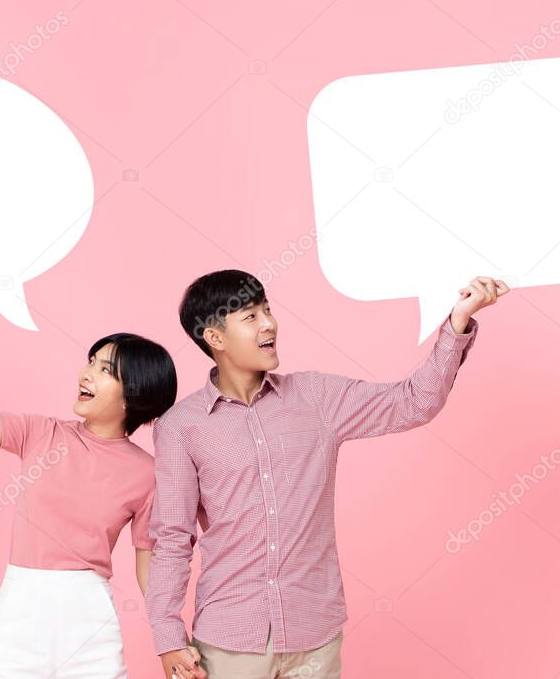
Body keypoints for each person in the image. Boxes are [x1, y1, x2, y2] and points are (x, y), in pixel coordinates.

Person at [147, 269, 508, 679]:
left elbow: (414, 402)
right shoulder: (180, 426)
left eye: (267, 309)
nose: (269, 323)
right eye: (250, 316)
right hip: (230, 640)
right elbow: (172, 538)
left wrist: (457, 322)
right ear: (215, 338)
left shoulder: (316, 398)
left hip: (314, 634)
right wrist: (168, 636)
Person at [0, 272, 194, 678]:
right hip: (20, 610)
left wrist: (171, 640)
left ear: (135, 393)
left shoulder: (147, 474)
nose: (87, 373)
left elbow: (148, 570)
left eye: (105, 369)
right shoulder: (41, 433)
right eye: (90, 362)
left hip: (90, 620)